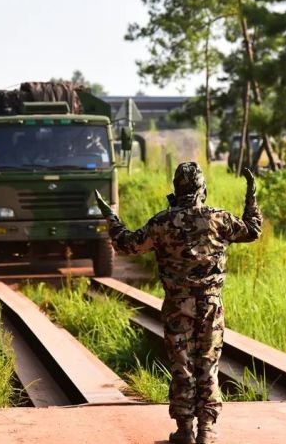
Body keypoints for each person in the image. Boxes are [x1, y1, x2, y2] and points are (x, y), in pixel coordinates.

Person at [95, 162, 262, 444]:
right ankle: (207, 430)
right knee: (208, 364)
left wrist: (110, 216)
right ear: (202, 189)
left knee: (181, 365)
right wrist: (251, 194)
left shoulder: (161, 222)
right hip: (210, 306)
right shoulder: (218, 218)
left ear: (176, 188)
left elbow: (126, 244)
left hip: (176, 306)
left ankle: (185, 430)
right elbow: (252, 230)